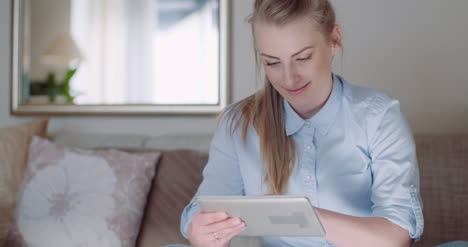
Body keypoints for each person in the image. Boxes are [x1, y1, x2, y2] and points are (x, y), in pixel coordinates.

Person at [180, 0, 425, 246]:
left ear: (334, 40)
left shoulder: (378, 116)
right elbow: (200, 214)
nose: (289, 78)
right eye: (272, 63)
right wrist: (201, 231)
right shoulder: (239, 124)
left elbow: (397, 235)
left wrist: (301, 217)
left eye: (303, 57)